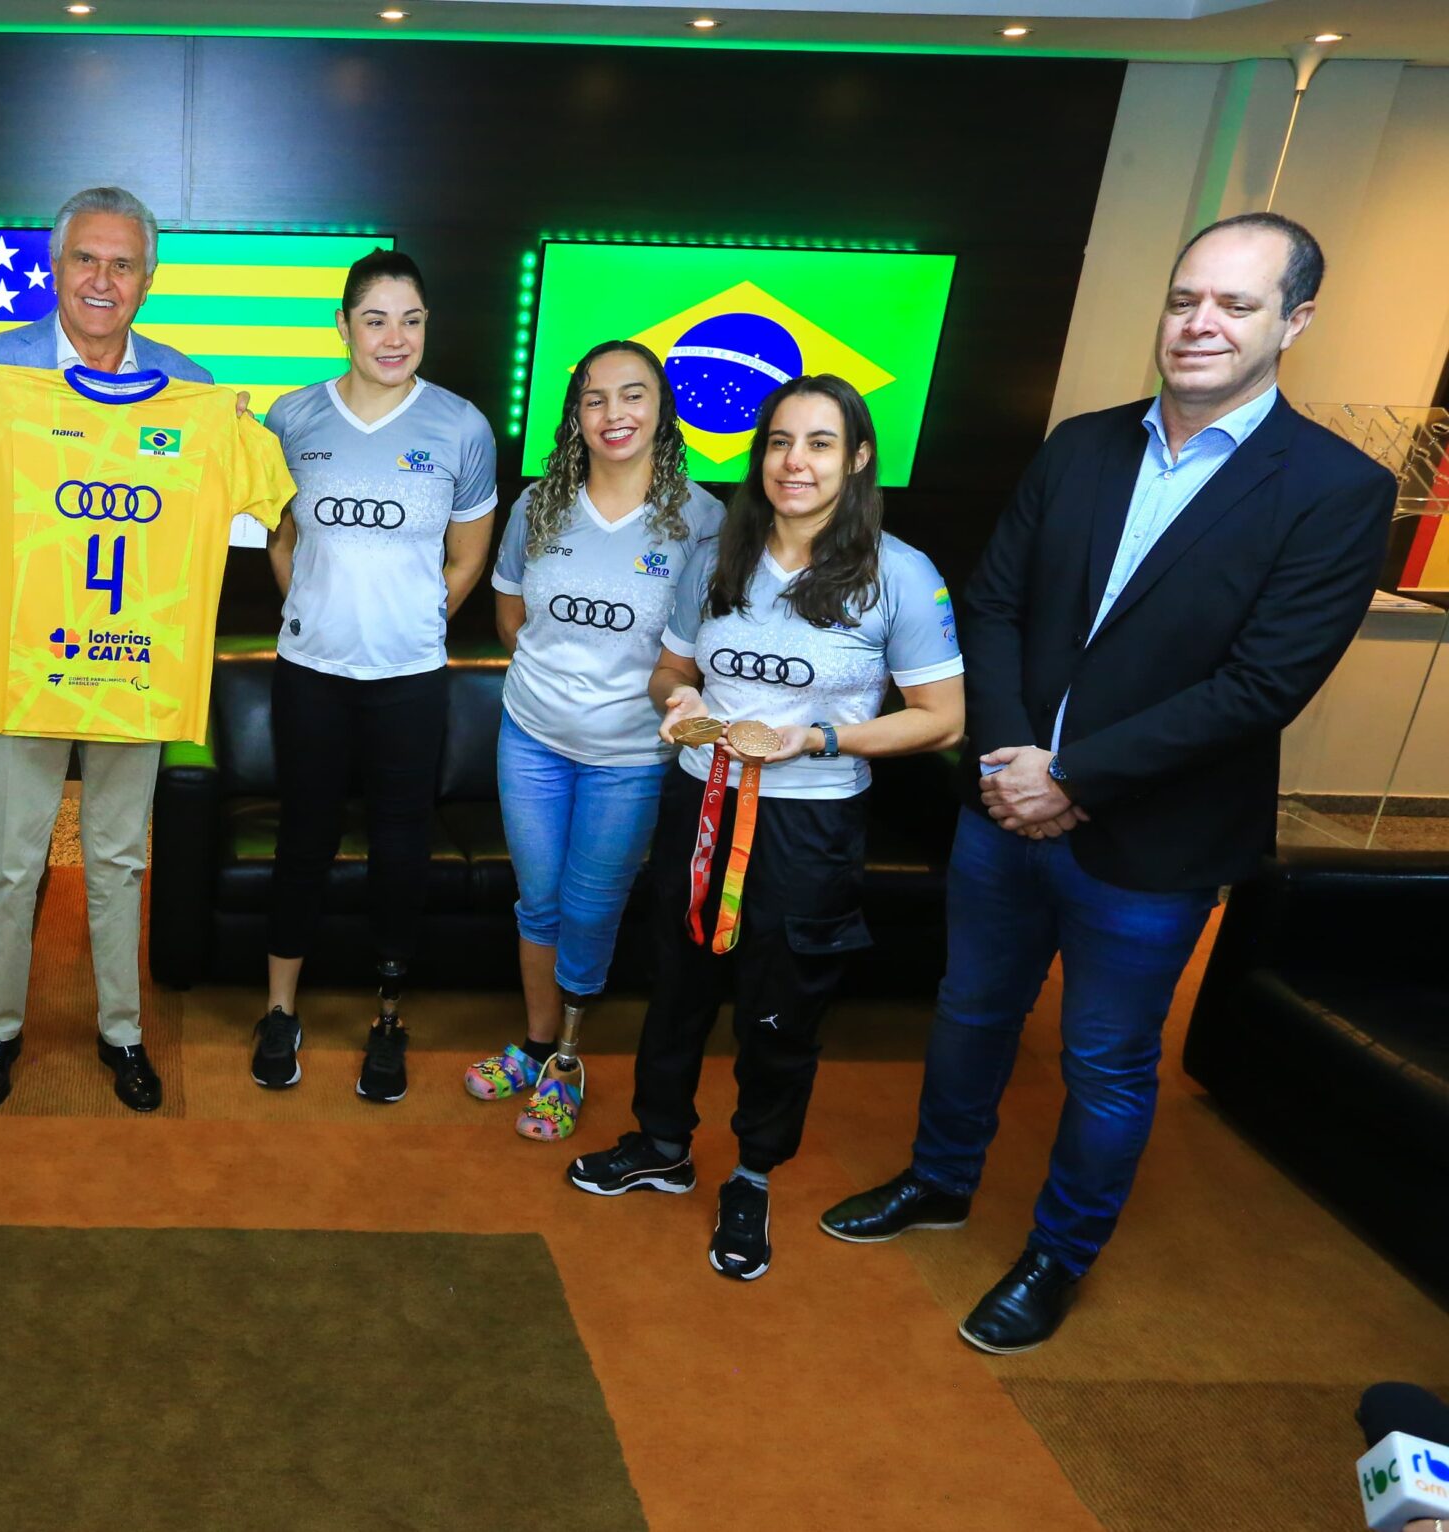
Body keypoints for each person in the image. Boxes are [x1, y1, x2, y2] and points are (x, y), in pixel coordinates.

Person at [819, 213, 1395, 1352]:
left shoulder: (1337, 489)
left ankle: (1057, 1255)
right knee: (970, 1010)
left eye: (1235, 304)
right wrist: (1011, 762)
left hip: (1152, 846)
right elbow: (991, 604)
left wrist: (1072, 777)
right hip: (1002, 807)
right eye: (1186, 298)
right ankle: (939, 1180)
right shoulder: (1079, 446)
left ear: (1295, 322)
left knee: (1106, 1064)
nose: (1200, 323)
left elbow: (1261, 684)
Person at [567, 374, 965, 1285]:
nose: (795, 462)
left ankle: (752, 1175)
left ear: (858, 459)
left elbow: (942, 719)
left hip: (808, 822)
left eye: (820, 443)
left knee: (779, 1005)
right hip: (699, 803)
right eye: (781, 442)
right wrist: (680, 702)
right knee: (677, 983)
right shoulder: (718, 555)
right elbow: (670, 672)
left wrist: (818, 737)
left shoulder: (899, 573)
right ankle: (661, 1143)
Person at [0, 187, 211, 1113]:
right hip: (18, 666)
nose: (103, 280)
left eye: (123, 264)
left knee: (119, 860)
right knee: (12, 863)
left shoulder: (189, 386)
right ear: (54, 266)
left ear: (149, 279)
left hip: (129, 664)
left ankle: (122, 1032)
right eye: (86, 259)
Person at [250, 250, 498, 1103]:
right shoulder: (292, 416)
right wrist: (313, 611)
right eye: (376, 319)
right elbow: (281, 540)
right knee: (303, 841)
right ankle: (279, 1011)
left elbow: (467, 557)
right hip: (310, 673)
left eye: (412, 320)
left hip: (410, 680)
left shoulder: (460, 426)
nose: (396, 338)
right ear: (344, 325)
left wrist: (417, 619)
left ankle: (388, 1020)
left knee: (400, 848)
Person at [468, 341, 725, 1140]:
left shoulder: (705, 522)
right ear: (575, 415)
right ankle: (536, 1044)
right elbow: (509, 615)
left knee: (589, 908)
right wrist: (559, 682)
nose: (614, 413)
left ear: (662, 409)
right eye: (595, 398)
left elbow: (699, 655)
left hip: (632, 758)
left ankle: (569, 1063)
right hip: (532, 739)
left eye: (633, 395)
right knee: (539, 900)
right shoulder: (538, 505)